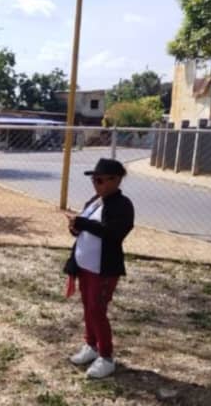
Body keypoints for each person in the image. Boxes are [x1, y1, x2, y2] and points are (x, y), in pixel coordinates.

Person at [64, 158, 134, 379]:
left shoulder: (122, 205)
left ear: (116, 180)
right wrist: (75, 227)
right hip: (85, 266)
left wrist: (84, 224)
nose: (96, 184)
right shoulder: (96, 200)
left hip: (103, 269)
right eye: (94, 179)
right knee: (88, 307)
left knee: (97, 310)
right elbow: (84, 229)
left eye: (101, 180)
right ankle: (91, 345)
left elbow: (113, 233)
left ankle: (106, 356)